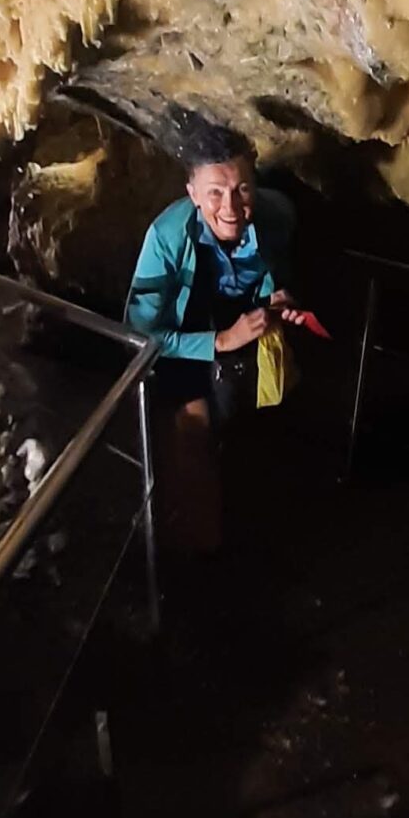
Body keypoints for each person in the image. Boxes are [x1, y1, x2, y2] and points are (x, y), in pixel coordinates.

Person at [124, 124, 301, 554]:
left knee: (245, 434)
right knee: (191, 437)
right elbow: (139, 332)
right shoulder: (166, 238)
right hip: (182, 335)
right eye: (215, 193)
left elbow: (278, 271)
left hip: (239, 331)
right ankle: (192, 551)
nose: (231, 207)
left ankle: (235, 532)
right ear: (193, 193)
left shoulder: (277, 217)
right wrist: (219, 341)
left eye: (241, 189)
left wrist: (280, 298)